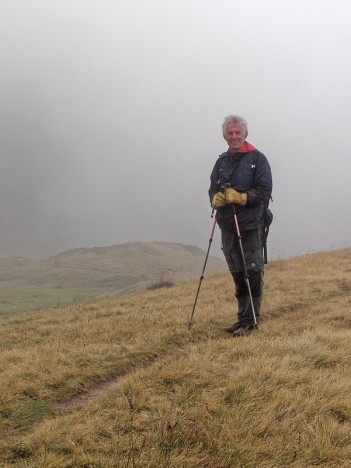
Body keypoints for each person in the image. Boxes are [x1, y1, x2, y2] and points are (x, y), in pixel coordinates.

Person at [209, 115, 272, 337]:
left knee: (252, 272)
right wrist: (214, 199)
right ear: (224, 136)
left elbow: (265, 191)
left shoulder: (258, 158)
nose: (234, 136)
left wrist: (242, 197)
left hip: (251, 224)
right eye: (230, 133)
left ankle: (252, 322)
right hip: (227, 225)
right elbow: (212, 188)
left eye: (238, 133)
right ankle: (242, 318)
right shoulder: (221, 162)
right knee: (237, 273)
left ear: (245, 134)